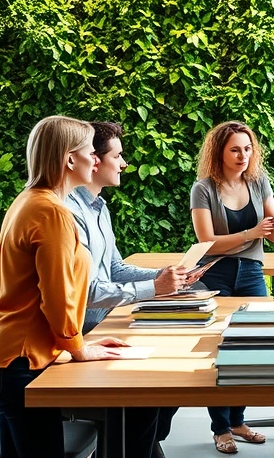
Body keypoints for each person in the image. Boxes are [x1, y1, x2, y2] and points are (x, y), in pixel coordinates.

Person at [0, 115, 150, 458]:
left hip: (7, 358)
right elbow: (59, 297)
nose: (96, 160)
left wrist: (78, 343)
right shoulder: (52, 212)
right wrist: (79, 349)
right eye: (90, 152)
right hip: (20, 363)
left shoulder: (30, 200)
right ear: (71, 159)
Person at [66, 121, 200, 458]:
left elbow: (114, 269)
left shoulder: (99, 208)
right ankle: (128, 447)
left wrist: (169, 277)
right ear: (93, 160)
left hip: (100, 328)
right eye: (118, 155)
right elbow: (87, 289)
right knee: (152, 392)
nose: (124, 163)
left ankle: (130, 446)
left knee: (171, 379)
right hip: (79, 335)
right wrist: (154, 286)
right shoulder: (68, 212)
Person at [190, 120, 274, 454]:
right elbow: (206, 242)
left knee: (254, 345)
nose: (243, 155)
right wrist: (250, 234)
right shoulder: (203, 188)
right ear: (219, 152)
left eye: (247, 149)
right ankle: (220, 428)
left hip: (251, 273)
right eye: (235, 149)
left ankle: (238, 421)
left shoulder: (258, 182)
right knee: (220, 349)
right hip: (215, 274)